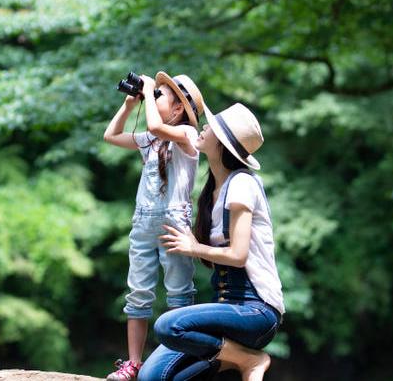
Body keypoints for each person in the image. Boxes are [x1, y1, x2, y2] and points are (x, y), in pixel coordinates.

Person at [138, 103, 284, 381]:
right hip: (225, 311)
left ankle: (250, 360)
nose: (204, 127)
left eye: (212, 127)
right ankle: (230, 360)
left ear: (224, 144)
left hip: (255, 310)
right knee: (150, 378)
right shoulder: (211, 190)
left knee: (168, 326)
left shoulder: (242, 183)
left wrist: (194, 247)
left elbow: (238, 255)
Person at [102, 72, 206, 381]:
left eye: (160, 95)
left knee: (178, 294)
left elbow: (154, 125)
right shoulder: (152, 139)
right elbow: (111, 135)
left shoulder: (187, 134)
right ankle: (133, 363)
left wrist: (148, 93)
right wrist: (128, 105)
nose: (154, 97)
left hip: (174, 224)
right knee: (138, 294)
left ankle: (177, 359)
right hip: (143, 223)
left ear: (177, 110)